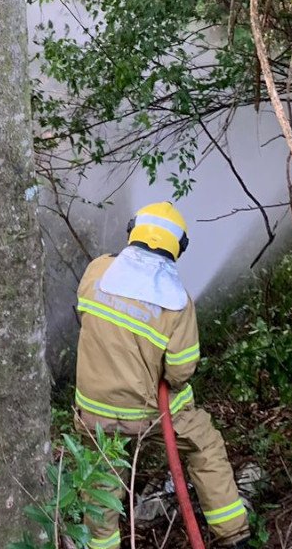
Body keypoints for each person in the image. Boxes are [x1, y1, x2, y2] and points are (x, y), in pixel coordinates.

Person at [73, 201, 251, 549]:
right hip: (149, 415)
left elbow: (84, 316)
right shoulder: (177, 302)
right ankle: (235, 537)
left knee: (101, 479)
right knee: (205, 444)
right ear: (178, 248)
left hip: (93, 411)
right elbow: (181, 372)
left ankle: (100, 544)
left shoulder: (98, 271)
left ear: (132, 231)